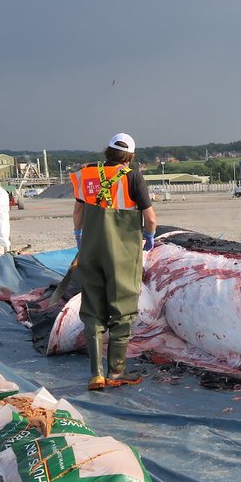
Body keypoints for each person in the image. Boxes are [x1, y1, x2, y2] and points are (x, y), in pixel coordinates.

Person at [71, 132, 158, 391]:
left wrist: (79, 236)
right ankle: (116, 371)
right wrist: (150, 236)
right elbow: (150, 218)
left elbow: (78, 212)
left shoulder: (86, 173)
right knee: (122, 309)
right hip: (122, 251)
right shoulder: (133, 176)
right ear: (130, 156)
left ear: (107, 151)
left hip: (90, 249)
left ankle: (96, 374)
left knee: (93, 309)